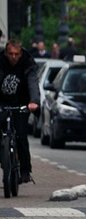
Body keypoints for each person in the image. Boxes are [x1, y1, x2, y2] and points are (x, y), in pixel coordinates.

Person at [0, 39, 40, 183]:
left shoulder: (27, 63)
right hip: (3, 103)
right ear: (6, 53)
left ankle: (25, 170)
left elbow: (33, 83)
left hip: (22, 104)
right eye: (10, 54)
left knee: (21, 136)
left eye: (16, 54)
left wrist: (34, 101)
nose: (14, 57)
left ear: (21, 53)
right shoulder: (1, 62)